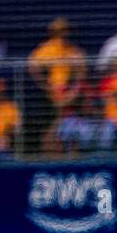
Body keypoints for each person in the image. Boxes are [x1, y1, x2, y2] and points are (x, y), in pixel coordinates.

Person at [28, 17, 85, 155]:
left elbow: (81, 75)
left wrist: (72, 93)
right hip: (49, 97)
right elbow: (33, 67)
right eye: (59, 31)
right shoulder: (45, 49)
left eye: (65, 30)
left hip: (70, 96)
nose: (62, 34)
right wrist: (47, 88)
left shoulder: (74, 51)